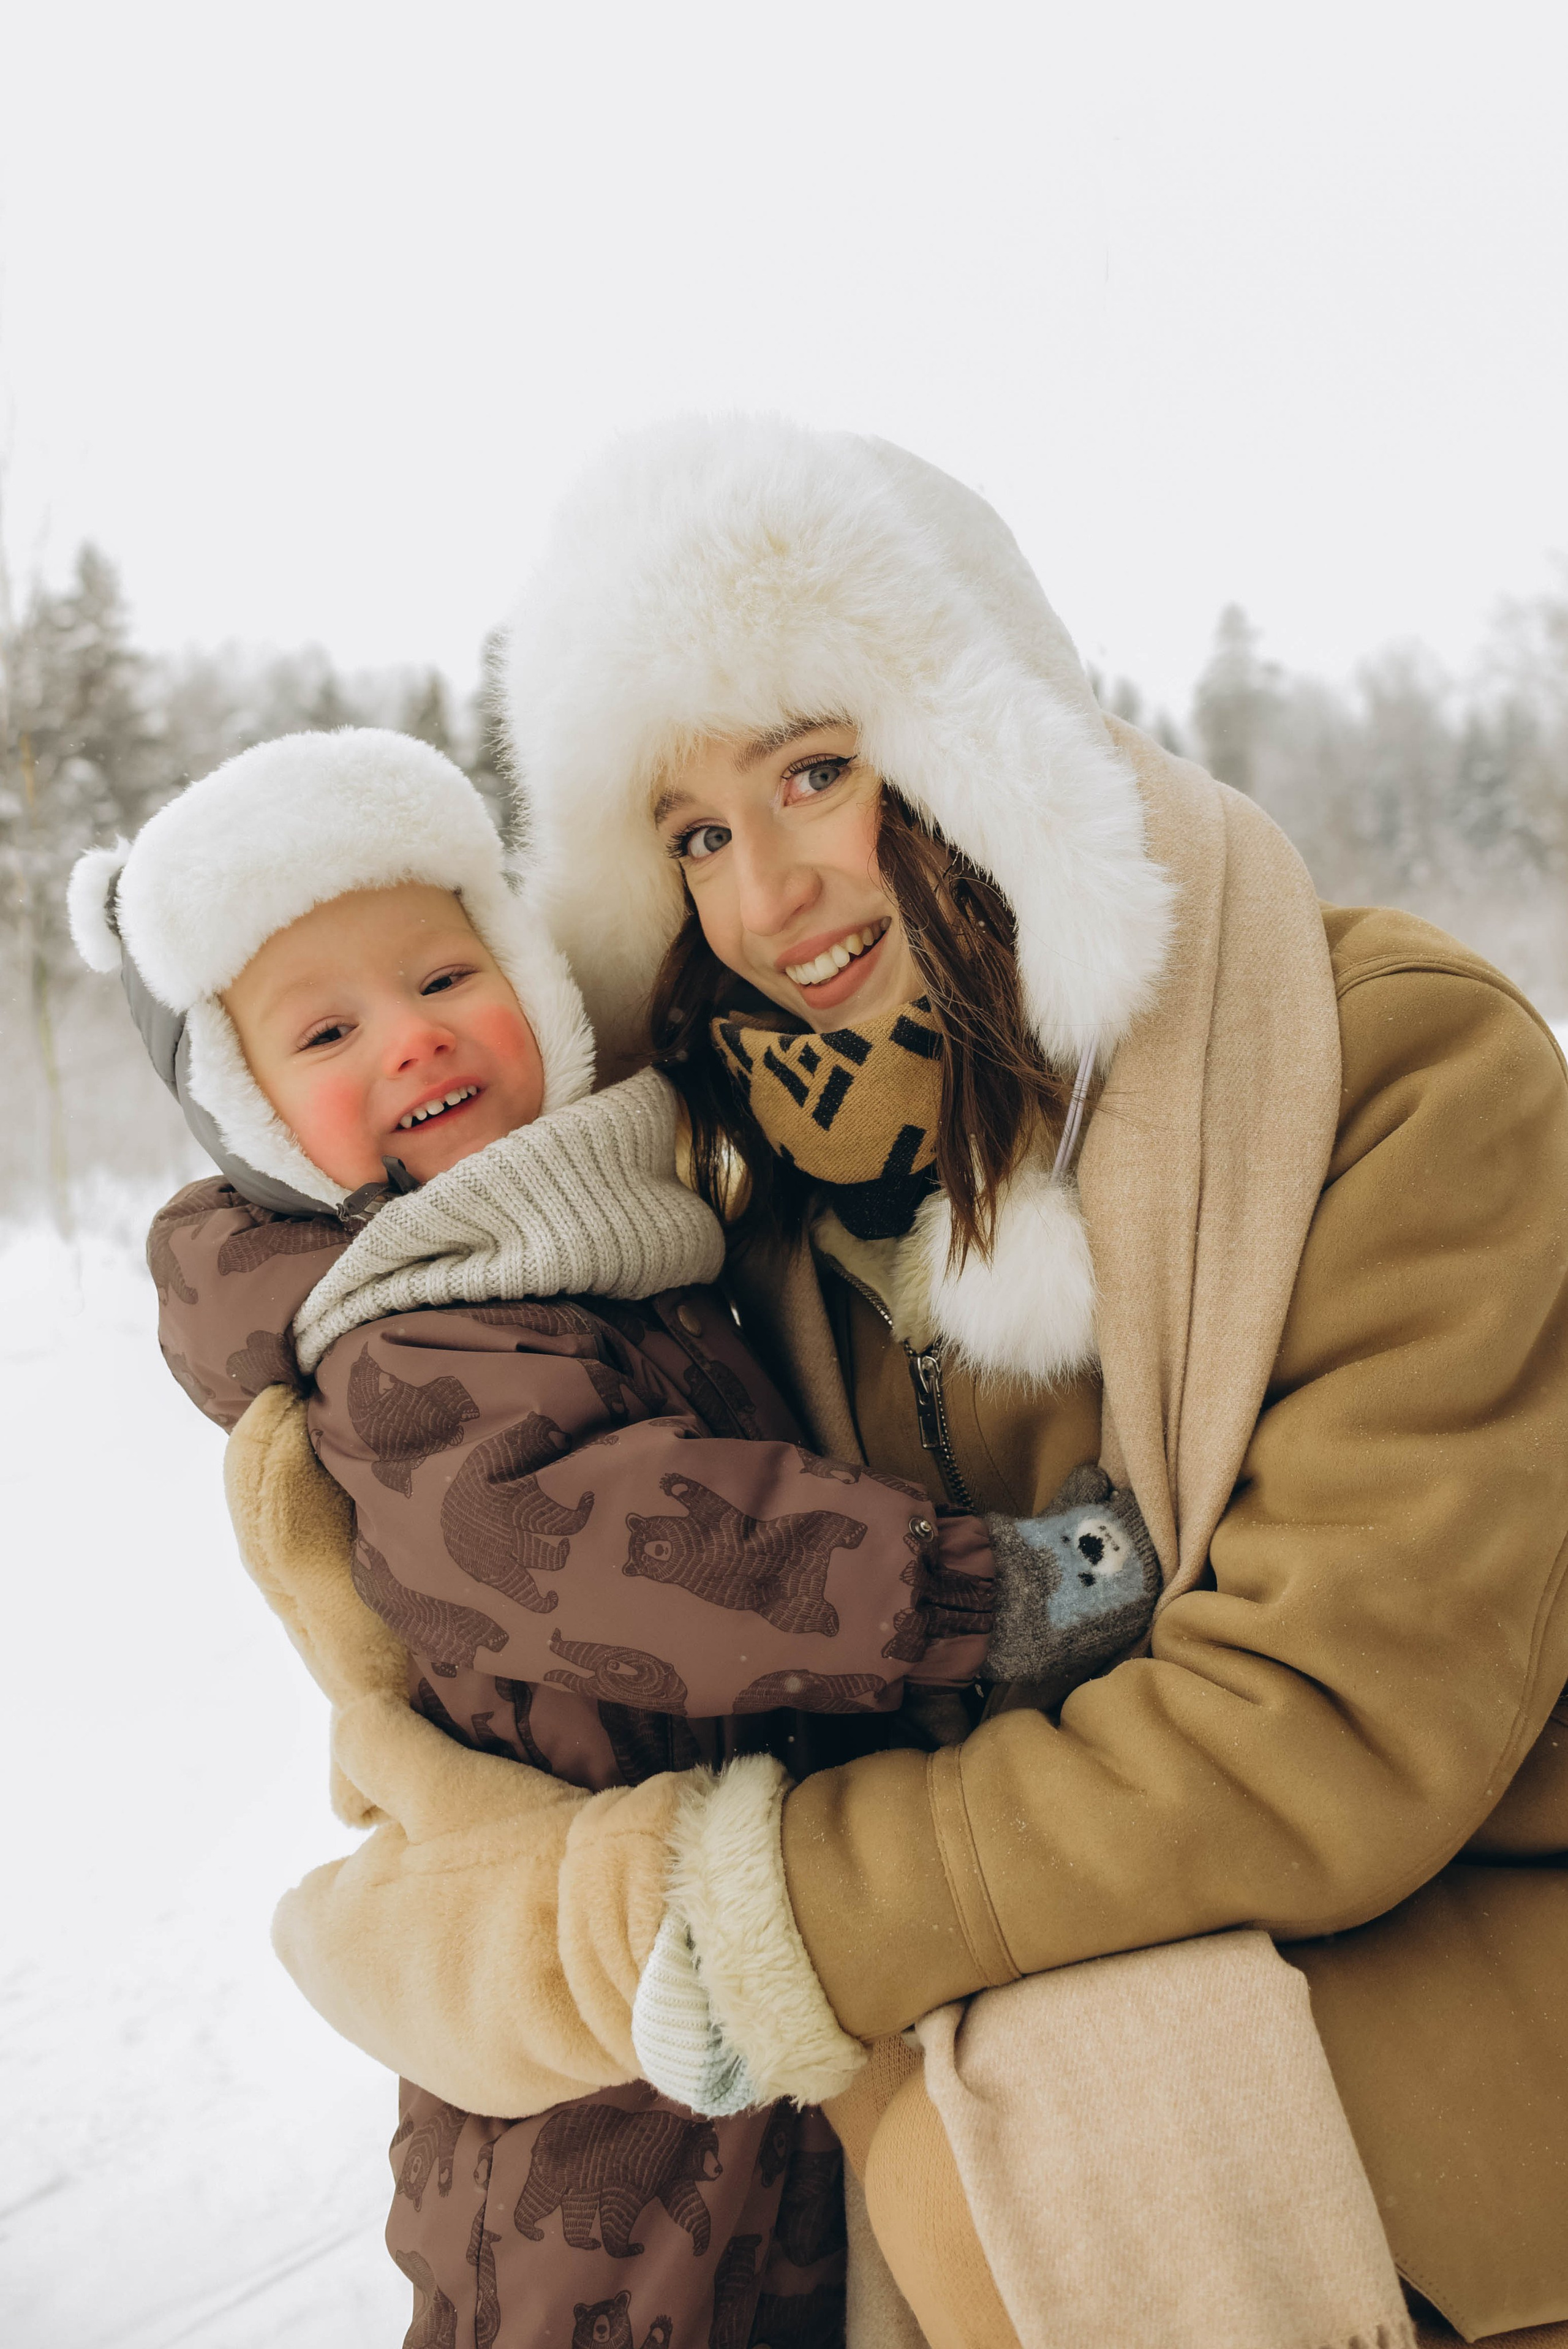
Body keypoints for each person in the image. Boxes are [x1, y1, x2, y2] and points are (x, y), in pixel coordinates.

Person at [164, 427, 1568, 2348]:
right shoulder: (739, 1216)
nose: (768, 896)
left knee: (1006, 2134)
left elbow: (1330, 1721)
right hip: (968, 2082)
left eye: (814, 770)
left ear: (976, 726)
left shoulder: (1382, 1070)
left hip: (1460, 2027)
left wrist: (764, 1914)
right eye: (691, 836)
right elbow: (479, 1771)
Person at [70, 723, 1115, 2349]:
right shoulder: (403, 1341)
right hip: (611, 2147)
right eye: (327, 1029)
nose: (411, 1041)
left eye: (441, 974)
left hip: (765, 2034)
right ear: (254, 1116)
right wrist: (978, 1592)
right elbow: (623, 1547)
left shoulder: (598, 1231)